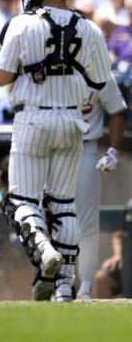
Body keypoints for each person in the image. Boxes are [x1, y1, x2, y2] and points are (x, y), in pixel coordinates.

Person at [0, 0, 111, 302]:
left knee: (19, 201)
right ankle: (63, 288)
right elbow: (101, 80)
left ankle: (44, 252)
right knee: (64, 205)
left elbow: (1, 78)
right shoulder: (91, 28)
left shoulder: (21, 23)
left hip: (32, 118)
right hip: (74, 121)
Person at [74, 75, 127, 300]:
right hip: (52, 148)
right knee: (56, 219)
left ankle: (84, 287)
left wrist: (113, 152)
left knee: (87, 221)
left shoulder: (101, 73)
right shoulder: (54, 64)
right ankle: (60, 283)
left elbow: (116, 110)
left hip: (86, 147)